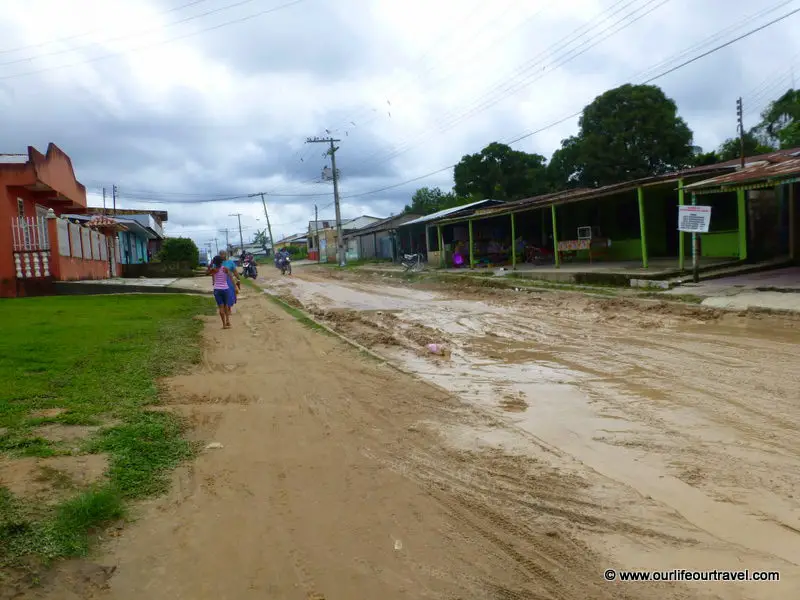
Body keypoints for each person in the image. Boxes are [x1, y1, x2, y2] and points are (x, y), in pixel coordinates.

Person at [208, 256, 232, 329]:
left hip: (217, 290)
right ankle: (228, 320)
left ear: (214, 262)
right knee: (226, 305)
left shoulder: (214, 270)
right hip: (225, 289)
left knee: (221, 307)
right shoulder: (225, 269)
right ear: (222, 262)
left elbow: (207, 273)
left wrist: (210, 265)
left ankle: (224, 325)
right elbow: (230, 276)